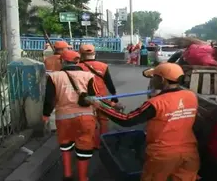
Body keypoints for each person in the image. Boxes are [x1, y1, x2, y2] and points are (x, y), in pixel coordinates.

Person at [96, 63, 200, 181]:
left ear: (162, 80)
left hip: (163, 155)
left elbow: (126, 120)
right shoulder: (191, 96)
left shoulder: (156, 103)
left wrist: (100, 107)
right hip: (190, 154)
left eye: (153, 77)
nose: (152, 80)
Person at [43, 50, 97, 181]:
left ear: (62, 61)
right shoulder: (88, 76)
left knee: (66, 145)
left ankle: (67, 174)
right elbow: (93, 98)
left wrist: (45, 115)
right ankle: (83, 178)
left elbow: (49, 99)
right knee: (84, 147)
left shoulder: (54, 76)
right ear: (78, 61)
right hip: (85, 117)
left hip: (63, 117)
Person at [78, 44, 118, 149]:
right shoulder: (103, 66)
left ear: (81, 54)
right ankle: (103, 143)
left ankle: (94, 143)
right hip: (102, 98)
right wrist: (114, 96)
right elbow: (109, 82)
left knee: (92, 121)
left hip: (86, 98)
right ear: (94, 53)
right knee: (103, 120)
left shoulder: (78, 67)